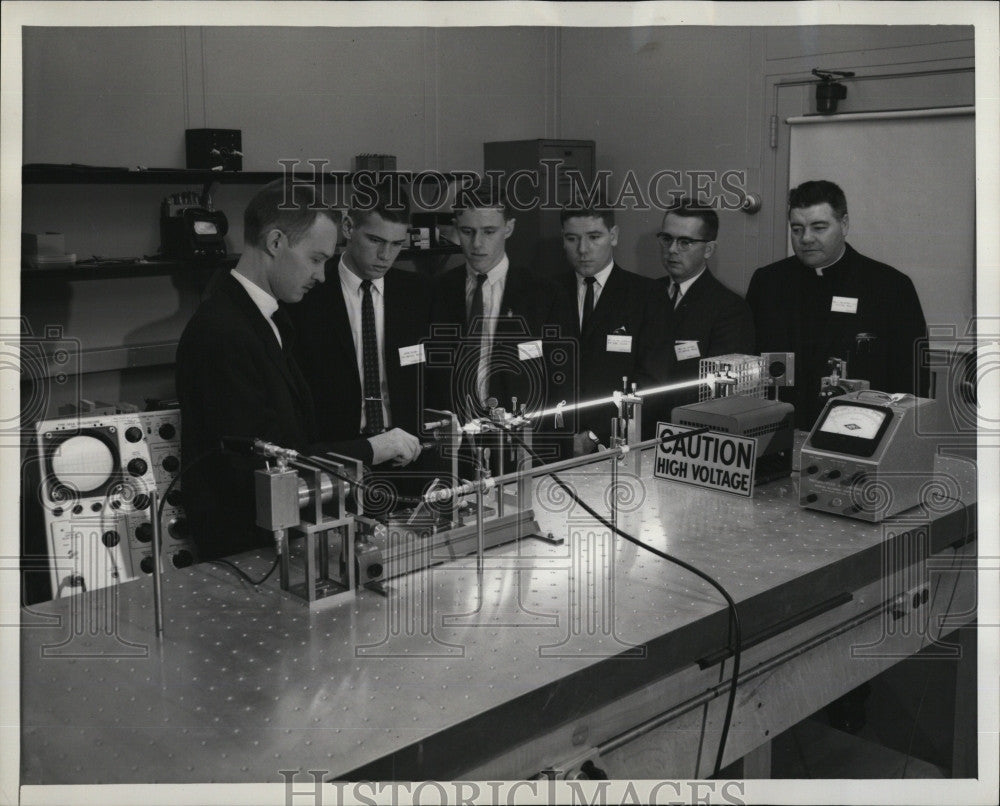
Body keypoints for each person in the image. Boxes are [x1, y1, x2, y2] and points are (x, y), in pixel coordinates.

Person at [176, 179, 420, 559]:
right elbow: (261, 464)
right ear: (275, 243)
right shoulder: (223, 332)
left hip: (280, 533)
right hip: (248, 550)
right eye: (316, 259)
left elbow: (290, 438)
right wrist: (372, 448)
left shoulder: (266, 318)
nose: (322, 276)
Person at [289, 183, 436, 509]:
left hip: (407, 462)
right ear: (348, 227)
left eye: (397, 244)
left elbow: (431, 380)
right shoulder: (307, 291)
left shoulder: (419, 293)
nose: (386, 256)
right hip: (336, 464)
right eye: (375, 240)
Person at [746, 180, 928, 429]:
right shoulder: (768, 282)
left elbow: (912, 382)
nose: (806, 238)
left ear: (844, 224)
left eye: (818, 227)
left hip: (861, 430)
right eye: (797, 229)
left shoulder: (890, 287)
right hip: (778, 428)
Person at [428, 189, 573, 464]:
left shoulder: (544, 293)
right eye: (468, 232)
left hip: (520, 442)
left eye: (489, 231)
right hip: (456, 443)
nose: (477, 243)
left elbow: (560, 377)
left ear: (509, 228)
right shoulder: (439, 289)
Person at [557, 204, 671, 453]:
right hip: (554, 442)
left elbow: (653, 381)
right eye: (572, 238)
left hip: (618, 444)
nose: (583, 250)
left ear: (614, 235)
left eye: (594, 237)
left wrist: (595, 435)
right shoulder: (546, 292)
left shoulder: (646, 296)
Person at [656, 199, 755, 407]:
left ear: (708, 250)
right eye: (667, 238)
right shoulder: (644, 293)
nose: (672, 249)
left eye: (685, 242)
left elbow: (723, 391)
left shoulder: (730, 309)